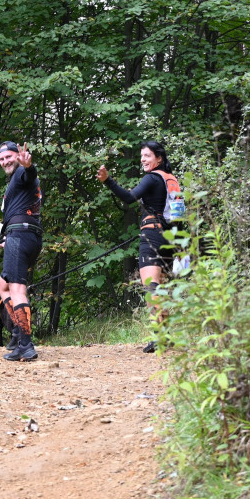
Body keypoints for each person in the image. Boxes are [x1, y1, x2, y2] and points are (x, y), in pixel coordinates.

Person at [96, 140, 182, 352]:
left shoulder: (152, 178)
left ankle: (160, 336)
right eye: (142, 156)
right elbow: (178, 216)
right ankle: (165, 335)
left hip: (152, 235)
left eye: (147, 156)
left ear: (159, 158)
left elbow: (129, 198)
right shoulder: (172, 180)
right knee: (161, 287)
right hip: (171, 238)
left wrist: (108, 181)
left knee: (151, 286)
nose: (143, 159)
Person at [0, 140, 42, 362]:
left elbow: (29, 174)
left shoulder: (21, 174)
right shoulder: (16, 183)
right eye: (1, 159)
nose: (5, 162)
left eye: (9, 157)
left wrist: (28, 166)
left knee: (17, 289)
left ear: (18, 156)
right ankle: (17, 332)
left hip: (21, 236)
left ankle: (26, 344)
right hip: (25, 236)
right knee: (1, 285)